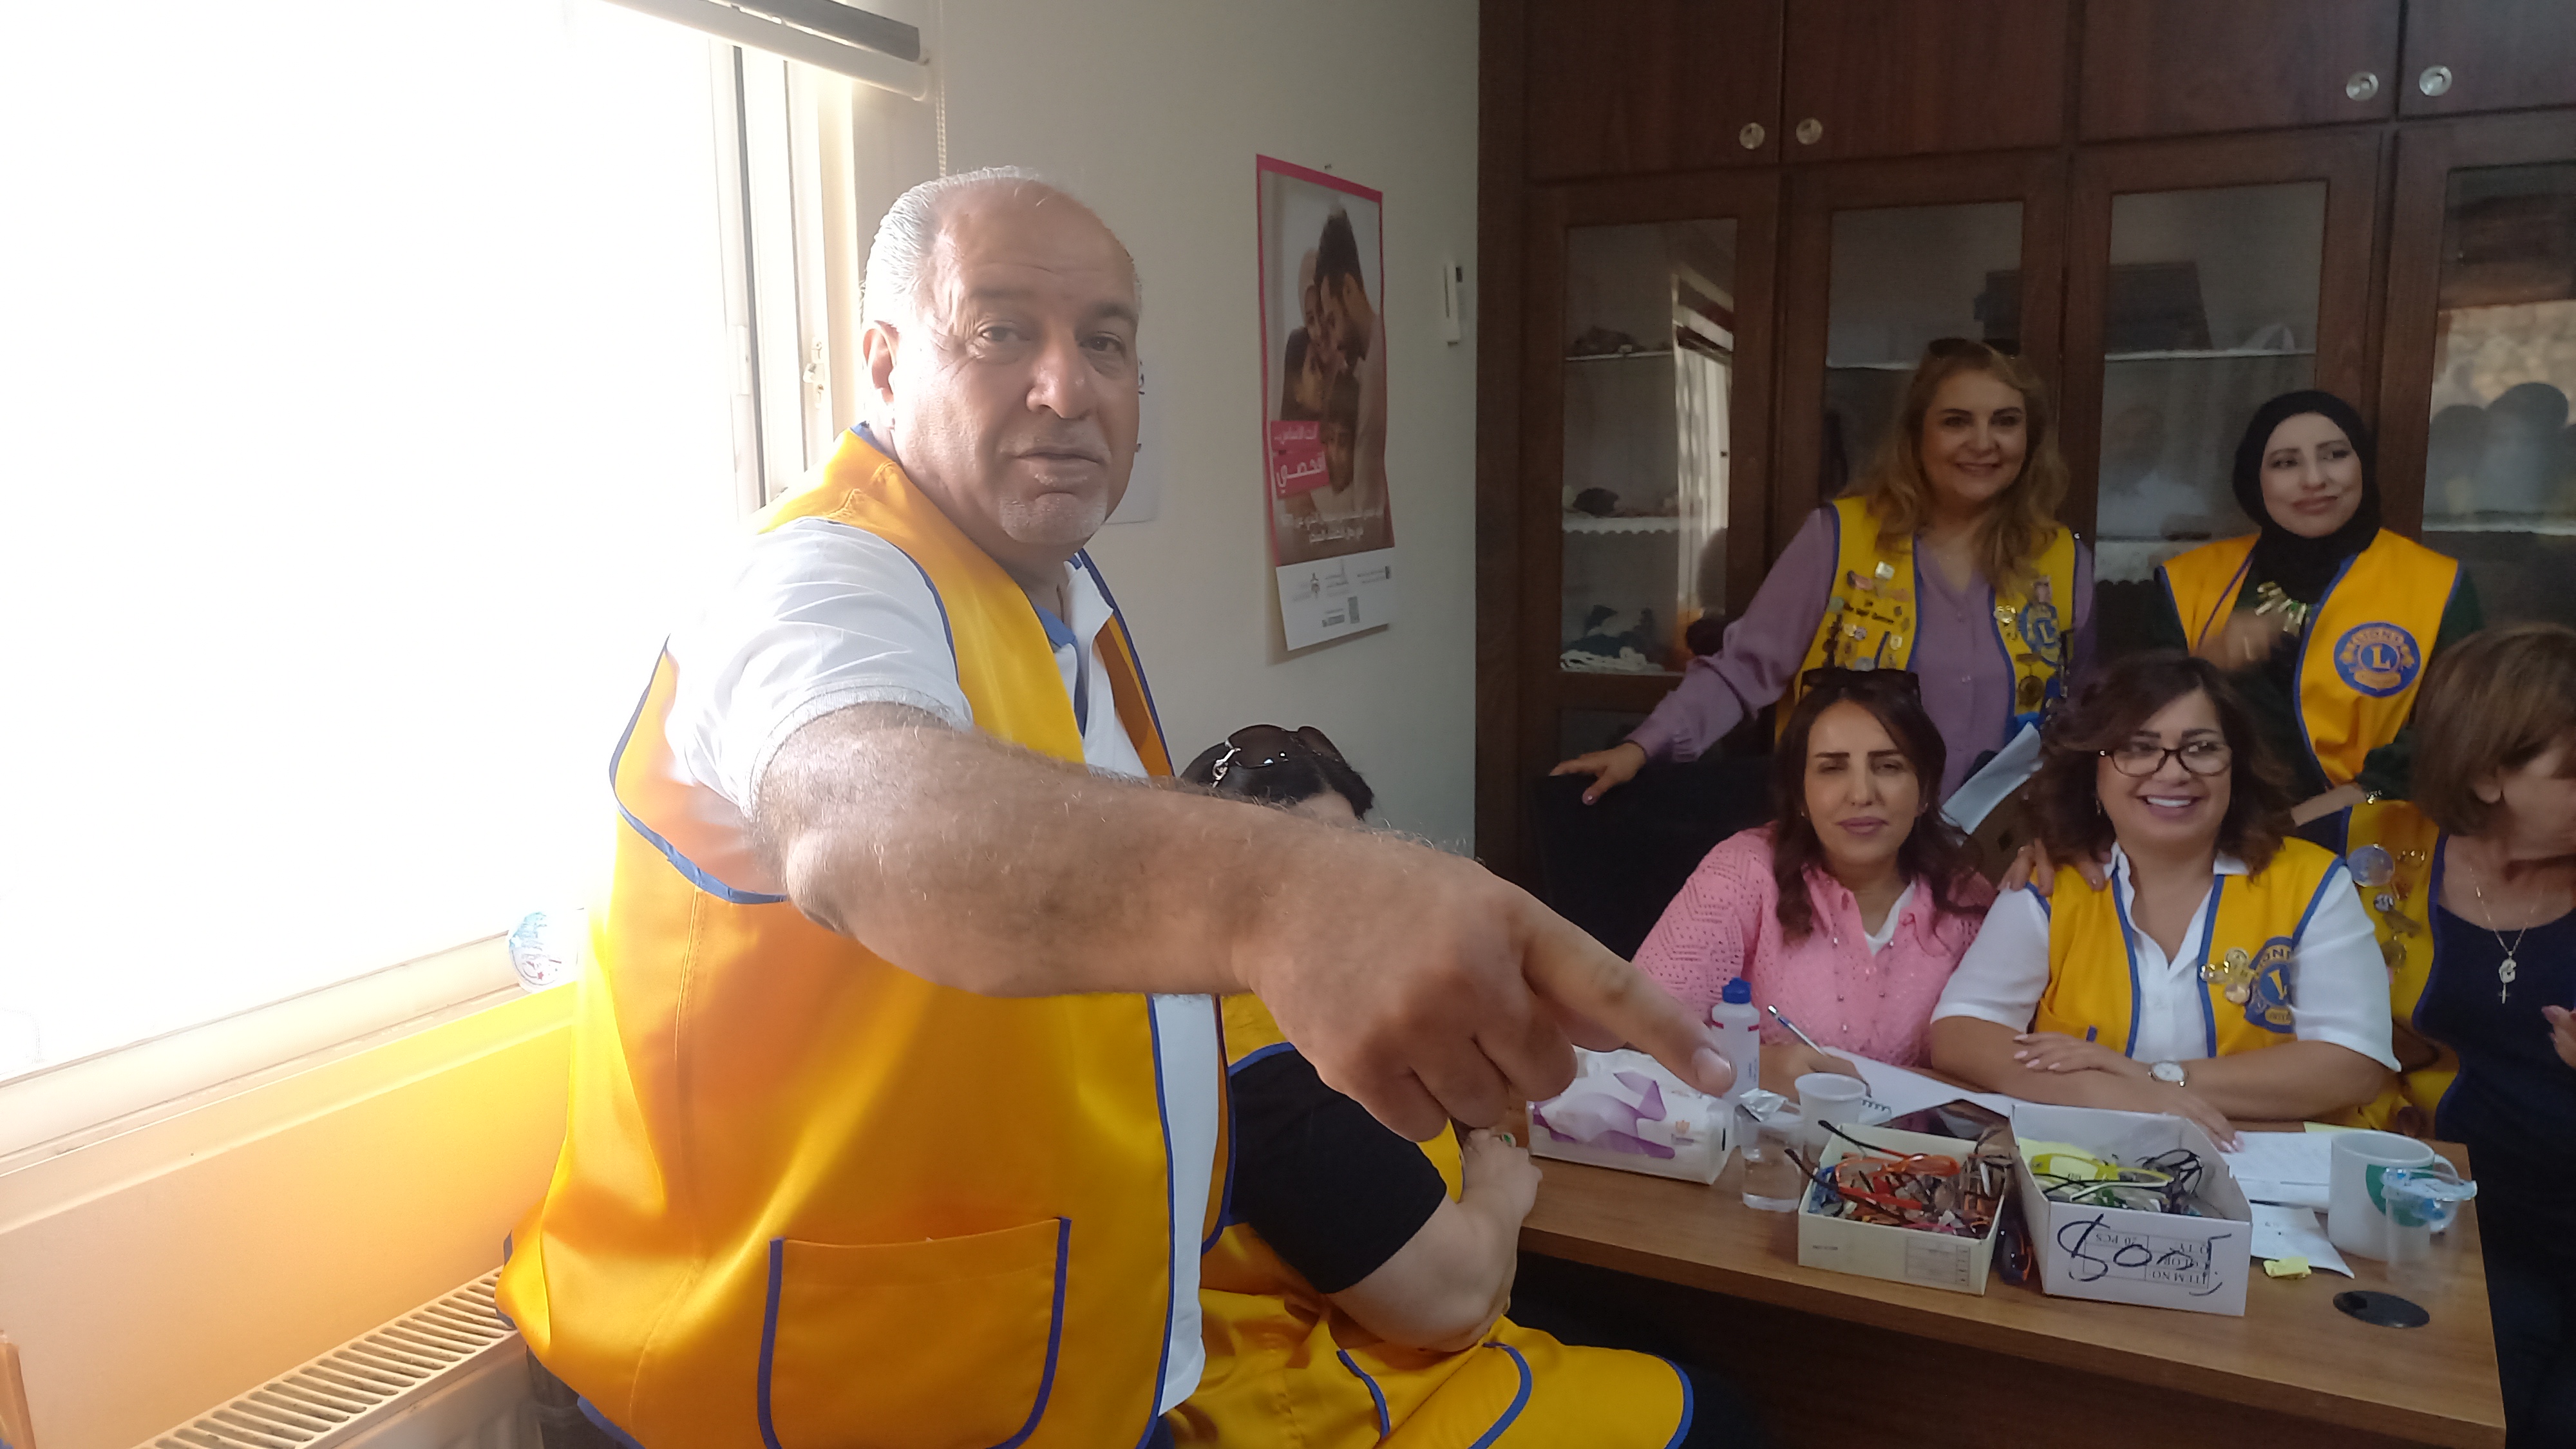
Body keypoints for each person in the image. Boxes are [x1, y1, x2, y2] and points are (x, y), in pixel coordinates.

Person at [494, 169, 1728, 1449]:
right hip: (789, 1403)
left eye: (1106, 343)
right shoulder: (815, 581)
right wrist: (1288, 891)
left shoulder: (1051, 598)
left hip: (1056, 1381)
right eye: (1000, 331)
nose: (1065, 387)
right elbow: (862, 815)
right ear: (884, 361)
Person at [1173, 729, 1761, 1449]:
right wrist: (1498, 1191)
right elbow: (1450, 1304)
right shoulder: (1273, 1066)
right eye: (1297, 869)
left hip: (1337, 1340)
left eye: (1354, 861)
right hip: (1329, 1407)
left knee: (1638, 1332)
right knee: (1716, 1415)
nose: (1341, 900)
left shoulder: (1186, 1006)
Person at [1555, 339, 2090, 805]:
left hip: (2002, 858)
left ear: (2030, 437)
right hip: (1855, 845)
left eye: (2006, 421)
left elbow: (2082, 718)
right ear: (1916, 435)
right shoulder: (1838, 538)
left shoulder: (2062, 560)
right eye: (1956, 421)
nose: (1983, 442)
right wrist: (1642, 747)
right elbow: (1743, 669)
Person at [1929, 651, 2398, 1142]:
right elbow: (1962, 1032)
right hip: (2089, 1165)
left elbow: (2353, 1064)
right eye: (2138, 748)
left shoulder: (2312, 883)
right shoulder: (2051, 885)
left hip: (2274, 1172)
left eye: (2202, 748)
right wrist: (2097, 1091)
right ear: (2093, 770)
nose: (2173, 773)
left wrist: (2150, 1078)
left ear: (2236, 766)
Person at [2372, 624, 2576, 1443]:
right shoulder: (2379, 852)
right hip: (2461, 1225)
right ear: (2488, 773)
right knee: (2475, 1411)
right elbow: (2206, 839)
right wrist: (2047, 846)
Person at [2152, 390, 2481, 842]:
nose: (2315, 479)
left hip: (2378, 839)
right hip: (2218, 840)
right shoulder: (2190, 582)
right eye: (2286, 463)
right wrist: (2205, 665)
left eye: (2335, 455)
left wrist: (2350, 800)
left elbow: (2463, 728)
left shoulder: (2438, 584)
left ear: (2362, 464)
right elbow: (2138, 724)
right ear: (2254, 480)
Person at [1633, 668, 1993, 1078]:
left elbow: (2003, 1077)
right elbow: (1639, 1031)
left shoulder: (1968, 900)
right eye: (1832, 769)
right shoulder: (1744, 871)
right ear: (1800, 794)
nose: (1862, 794)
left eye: (1888, 767)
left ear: (1925, 791)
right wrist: (1760, 1068)